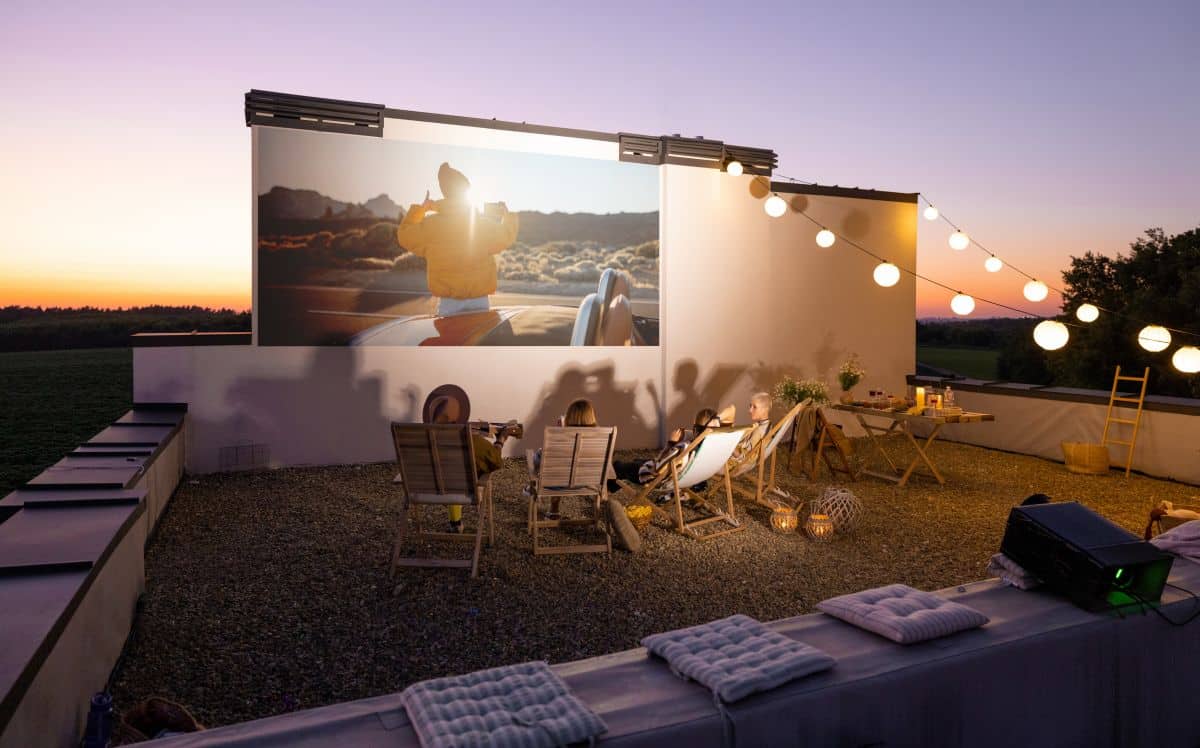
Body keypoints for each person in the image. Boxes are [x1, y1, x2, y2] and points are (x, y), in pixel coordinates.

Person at [396, 162, 520, 317]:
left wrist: (423, 209)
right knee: (478, 339)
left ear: (445, 192)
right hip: (479, 301)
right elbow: (507, 235)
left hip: (449, 304)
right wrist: (506, 216)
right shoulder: (480, 223)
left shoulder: (431, 225)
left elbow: (405, 234)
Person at [422, 385, 517, 532]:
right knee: (462, 472)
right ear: (458, 414)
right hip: (460, 488)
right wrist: (500, 440)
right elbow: (495, 461)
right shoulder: (470, 440)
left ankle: (455, 523)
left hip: (424, 490)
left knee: (450, 472)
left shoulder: (419, 440)